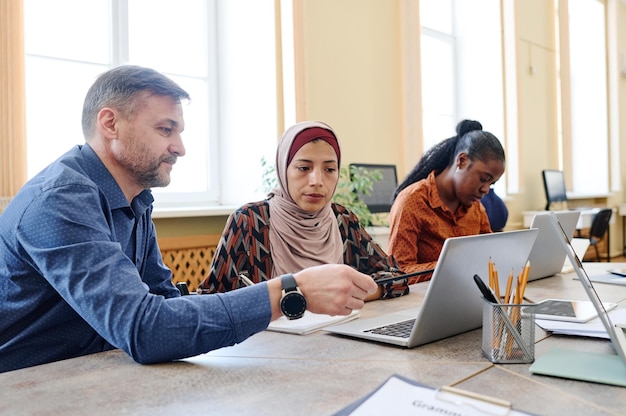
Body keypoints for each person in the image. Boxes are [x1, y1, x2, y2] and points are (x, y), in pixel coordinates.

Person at [0, 66, 377, 373]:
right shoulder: (60, 201)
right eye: (166, 129)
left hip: (96, 373)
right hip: (27, 387)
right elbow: (146, 328)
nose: (180, 147)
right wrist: (292, 291)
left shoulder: (135, 200)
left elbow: (162, 299)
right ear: (110, 124)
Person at [197, 121, 409, 300]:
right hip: (266, 345)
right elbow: (212, 300)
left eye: (329, 169)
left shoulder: (342, 220)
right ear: (283, 169)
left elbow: (397, 278)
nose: (317, 181)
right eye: (303, 168)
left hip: (339, 338)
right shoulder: (250, 221)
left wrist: (346, 295)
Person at [387, 120, 505, 284]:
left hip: (466, 294)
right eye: (483, 179)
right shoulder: (412, 201)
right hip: (420, 302)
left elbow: (489, 256)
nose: (486, 190)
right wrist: (451, 267)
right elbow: (399, 272)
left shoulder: (476, 209)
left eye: (491, 184)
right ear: (462, 161)